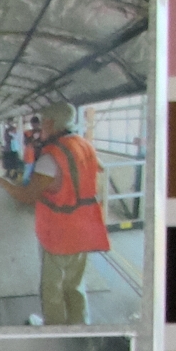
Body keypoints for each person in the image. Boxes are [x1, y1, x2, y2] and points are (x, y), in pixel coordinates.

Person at [16, 109, 108, 326]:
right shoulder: (84, 145)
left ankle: (54, 330)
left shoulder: (51, 156)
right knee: (75, 284)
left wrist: (1, 183)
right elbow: (100, 167)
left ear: (51, 122)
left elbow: (27, 196)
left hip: (58, 230)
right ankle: (80, 326)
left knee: (52, 288)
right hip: (84, 228)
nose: (41, 129)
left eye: (44, 124)